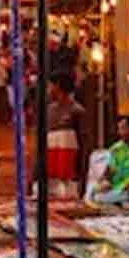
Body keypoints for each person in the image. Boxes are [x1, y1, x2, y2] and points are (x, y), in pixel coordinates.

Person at [44, 70, 87, 199]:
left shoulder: (77, 110)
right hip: (50, 166)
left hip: (69, 170)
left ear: (57, 85)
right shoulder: (49, 110)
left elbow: (83, 141)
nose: (48, 89)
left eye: (50, 85)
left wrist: (81, 170)